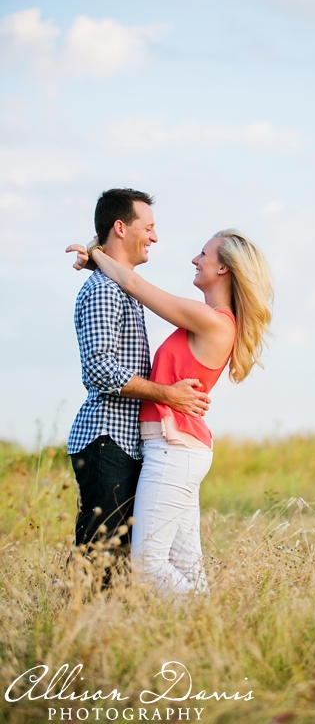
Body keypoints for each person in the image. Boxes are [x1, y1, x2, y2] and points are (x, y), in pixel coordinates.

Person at [67, 228, 273, 594]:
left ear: (224, 269)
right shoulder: (211, 318)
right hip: (178, 448)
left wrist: (95, 254)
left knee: (148, 566)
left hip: (172, 448)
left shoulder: (212, 320)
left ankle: (207, 625)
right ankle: (205, 635)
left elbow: (132, 282)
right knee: (185, 565)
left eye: (204, 254)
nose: (195, 260)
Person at [67, 188, 212, 586]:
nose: (155, 236)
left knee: (119, 565)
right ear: (120, 227)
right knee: (99, 561)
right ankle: (76, 639)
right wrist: (168, 394)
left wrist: (94, 256)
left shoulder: (121, 288)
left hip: (125, 441)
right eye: (148, 227)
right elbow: (99, 370)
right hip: (105, 439)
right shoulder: (103, 290)